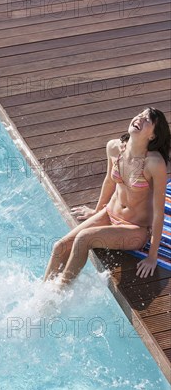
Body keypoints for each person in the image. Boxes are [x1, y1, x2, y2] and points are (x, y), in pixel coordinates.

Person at [43, 107, 170, 286]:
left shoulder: (155, 164)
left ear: (153, 136)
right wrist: (96, 211)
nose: (140, 119)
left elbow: (159, 212)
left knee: (83, 239)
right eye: (140, 115)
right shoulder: (114, 148)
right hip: (109, 214)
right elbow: (109, 182)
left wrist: (152, 257)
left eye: (147, 120)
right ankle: (44, 292)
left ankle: (59, 293)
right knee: (60, 246)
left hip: (135, 229)